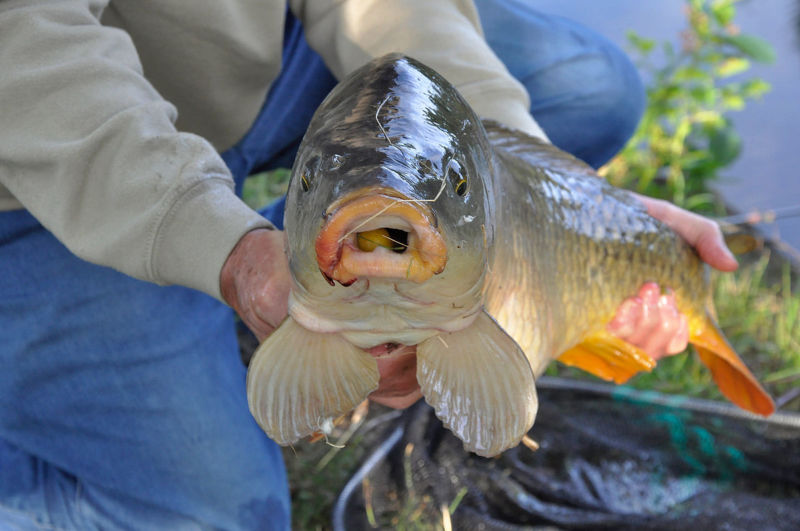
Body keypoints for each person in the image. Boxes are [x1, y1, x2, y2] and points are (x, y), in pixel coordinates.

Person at [0, 1, 738, 529]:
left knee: (588, 85)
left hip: (257, 59)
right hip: (37, 140)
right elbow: (22, 45)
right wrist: (224, 245)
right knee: (212, 516)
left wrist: (542, 184)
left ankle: (328, 257)